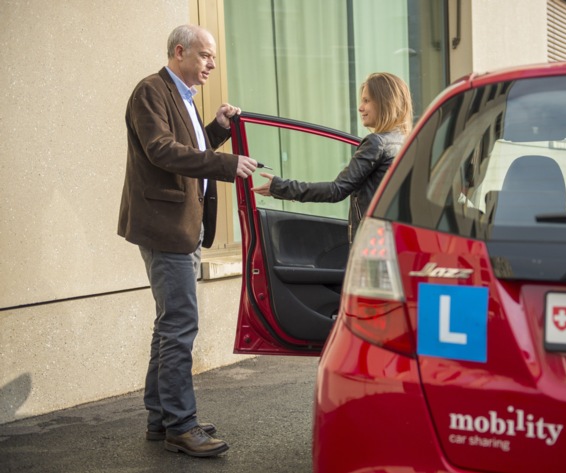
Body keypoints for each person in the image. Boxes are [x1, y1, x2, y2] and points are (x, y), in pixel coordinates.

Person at [117, 24, 257, 457]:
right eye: (206, 56)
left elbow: (184, 148)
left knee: (169, 325)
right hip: (165, 227)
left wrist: (215, 130)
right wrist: (225, 162)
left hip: (184, 226)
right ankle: (181, 425)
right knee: (180, 326)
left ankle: (160, 418)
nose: (212, 64)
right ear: (180, 52)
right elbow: (161, 150)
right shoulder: (151, 92)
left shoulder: (183, 97)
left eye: (212, 57)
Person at [252, 72, 413, 243]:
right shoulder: (405, 141)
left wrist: (280, 187)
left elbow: (336, 190)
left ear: (384, 103)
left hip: (373, 245)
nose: (360, 107)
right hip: (394, 239)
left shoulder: (377, 143)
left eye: (367, 101)